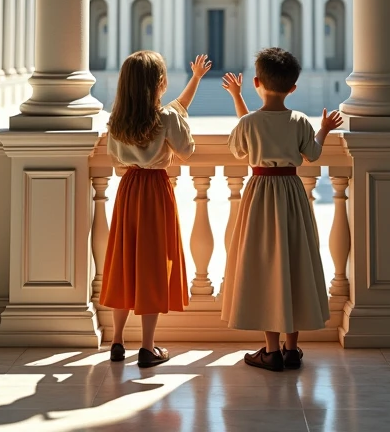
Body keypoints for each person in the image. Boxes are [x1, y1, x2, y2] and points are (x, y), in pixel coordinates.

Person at [220, 47, 343, 371]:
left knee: (265, 267)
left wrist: (236, 96)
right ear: (293, 88)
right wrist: (325, 128)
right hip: (291, 194)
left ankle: (270, 350)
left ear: (257, 81)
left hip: (260, 195)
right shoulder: (300, 120)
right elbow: (313, 154)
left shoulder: (249, 121)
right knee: (294, 262)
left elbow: (242, 143)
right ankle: (292, 348)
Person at [100, 50, 212, 367]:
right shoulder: (166, 119)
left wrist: (196, 79)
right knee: (152, 265)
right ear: (159, 83)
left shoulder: (117, 121)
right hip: (155, 192)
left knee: (124, 262)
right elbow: (187, 149)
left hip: (129, 189)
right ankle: (148, 347)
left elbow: (116, 157)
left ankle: (117, 341)